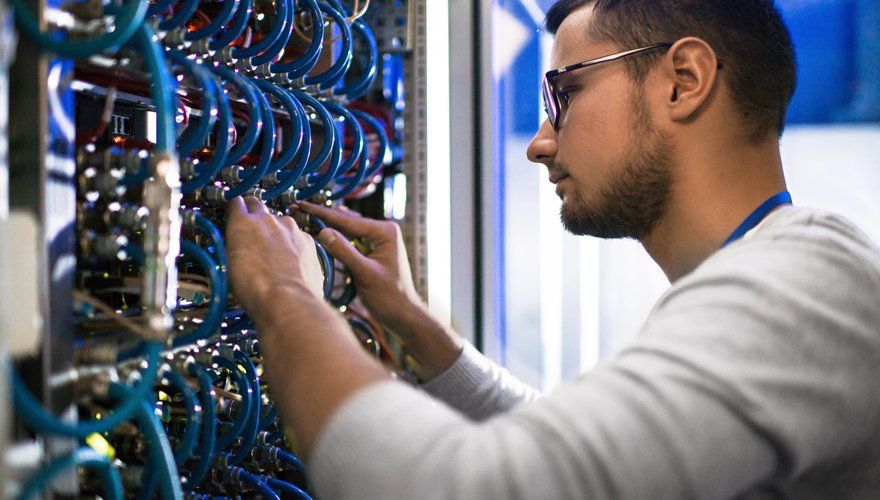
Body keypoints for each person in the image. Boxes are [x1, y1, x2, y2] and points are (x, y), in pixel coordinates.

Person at [224, 0, 880, 498]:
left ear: (684, 79)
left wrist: (285, 297)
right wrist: (416, 325)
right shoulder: (769, 281)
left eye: (565, 94)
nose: (540, 142)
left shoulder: (802, 287)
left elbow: (473, 485)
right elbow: (590, 459)